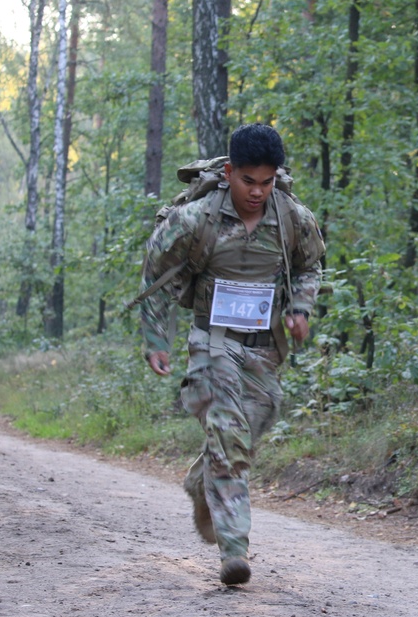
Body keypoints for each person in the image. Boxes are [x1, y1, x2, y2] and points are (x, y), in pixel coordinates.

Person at [139, 123, 325, 585]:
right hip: (212, 343)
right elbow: (155, 275)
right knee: (228, 436)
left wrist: (300, 308)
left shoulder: (293, 219)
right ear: (229, 172)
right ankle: (234, 550)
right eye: (248, 181)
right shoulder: (196, 219)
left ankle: (202, 477)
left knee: (246, 433)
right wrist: (156, 338)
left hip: (264, 350)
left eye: (266, 182)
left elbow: (310, 266)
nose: (257, 192)